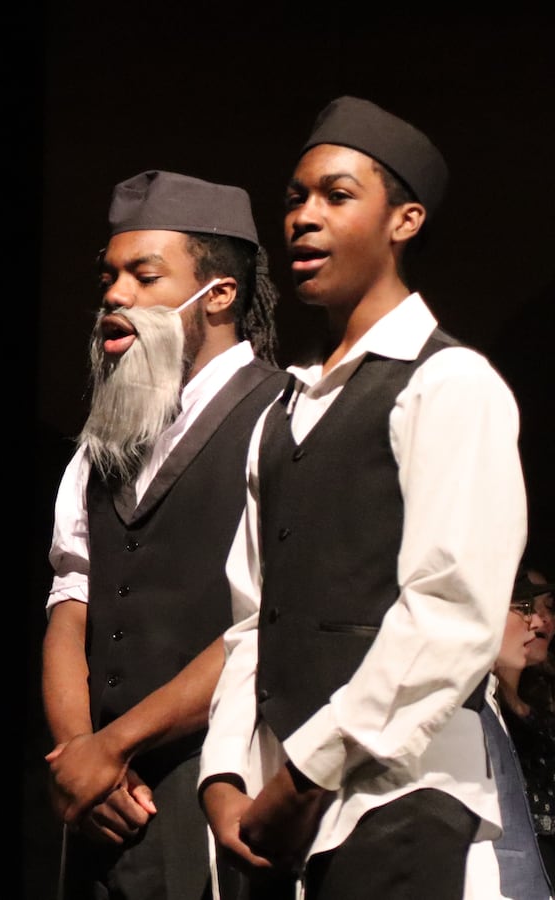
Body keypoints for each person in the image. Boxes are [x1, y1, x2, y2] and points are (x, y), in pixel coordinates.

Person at [199, 96, 527, 898]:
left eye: (337, 196)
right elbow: (254, 617)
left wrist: (310, 772)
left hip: (399, 798)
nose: (304, 219)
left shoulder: (449, 383)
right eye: (295, 198)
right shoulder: (283, 410)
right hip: (271, 816)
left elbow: (452, 612)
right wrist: (225, 774)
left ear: (404, 220)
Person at [40, 170, 283, 900]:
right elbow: (70, 602)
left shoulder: (284, 420)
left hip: (221, 785)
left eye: (146, 276)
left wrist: (115, 746)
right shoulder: (100, 446)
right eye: (109, 276)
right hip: (98, 808)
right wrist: (78, 757)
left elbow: (271, 620)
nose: (115, 296)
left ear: (219, 294)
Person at [484, 572, 554, 899]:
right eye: (525, 606)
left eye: (547, 609)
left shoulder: (542, 709)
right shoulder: (475, 709)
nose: (540, 621)